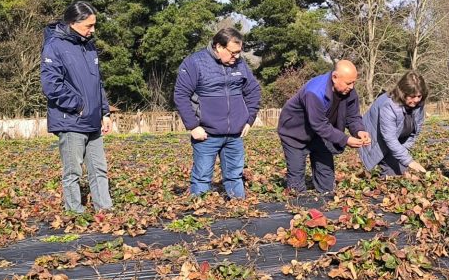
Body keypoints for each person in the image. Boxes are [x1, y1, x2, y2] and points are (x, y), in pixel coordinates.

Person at [41, 1, 113, 213]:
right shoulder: (54, 46)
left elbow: (96, 82)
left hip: (93, 120)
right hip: (70, 120)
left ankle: (105, 210)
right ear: (73, 23)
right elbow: (51, 85)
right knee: (73, 172)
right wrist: (78, 106)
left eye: (94, 25)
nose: (93, 30)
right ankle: (75, 212)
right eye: (88, 26)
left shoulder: (88, 45)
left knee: (99, 168)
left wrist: (104, 111)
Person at [173, 27, 260, 199]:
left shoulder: (240, 64)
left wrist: (249, 119)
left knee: (235, 175)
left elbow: (253, 91)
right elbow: (181, 95)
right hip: (207, 134)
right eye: (233, 52)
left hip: (235, 134)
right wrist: (193, 126)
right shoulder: (195, 62)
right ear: (218, 46)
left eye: (238, 52)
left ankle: (238, 208)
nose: (236, 57)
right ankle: (199, 212)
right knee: (202, 177)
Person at [277, 60, 371, 194]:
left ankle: (326, 203)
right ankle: (296, 205)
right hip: (294, 133)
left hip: (320, 136)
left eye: (354, 82)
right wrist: (345, 139)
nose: (352, 87)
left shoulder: (349, 91)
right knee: (296, 182)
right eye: (348, 83)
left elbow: (353, 116)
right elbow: (319, 124)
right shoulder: (314, 92)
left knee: (326, 182)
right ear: (334, 77)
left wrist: (359, 130)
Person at [359, 71, 428, 176]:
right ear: (402, 92)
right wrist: (410, 161)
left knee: (403, 171)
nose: (416, 100)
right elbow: (389, 138)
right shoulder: (389, 106)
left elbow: (415, 131)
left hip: (396, 141)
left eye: (419, 96)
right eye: (412, 96)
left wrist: (403, 152)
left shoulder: (419, 105)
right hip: (376, 140)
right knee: (393, 174)